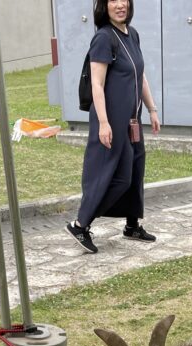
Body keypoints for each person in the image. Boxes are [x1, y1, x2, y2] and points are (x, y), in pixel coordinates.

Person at [66, 0, 160, 255]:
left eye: (124, 0)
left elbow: (139, 75)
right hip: (111, 120)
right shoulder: (104, 38)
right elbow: (97, 84)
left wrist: (151, 109)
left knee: (136, 170)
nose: (120, 5)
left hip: (132, 119)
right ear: (104, 7)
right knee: (116, 176)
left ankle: (131, 225)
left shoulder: (133, 34)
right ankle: (80, 224)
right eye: (113, 1)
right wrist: (104, 123)